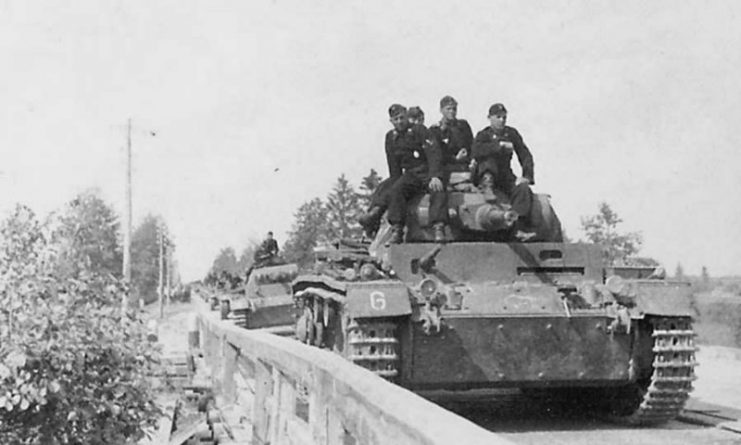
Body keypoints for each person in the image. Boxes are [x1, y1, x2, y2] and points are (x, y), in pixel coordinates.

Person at [472, 103, 536, 241]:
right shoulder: (484, 135)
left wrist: (527, 176)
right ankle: (487, 187)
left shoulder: (511, 134)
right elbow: (476, 151)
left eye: (504, 117)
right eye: (498, 117)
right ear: (489, 118)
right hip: (486, 175)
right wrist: (498, 147)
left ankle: (518, 227)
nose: (502, 120)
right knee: (489, 161)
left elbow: (525, 154)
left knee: (522, 189)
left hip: (505, 175)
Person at [384, 104, 447, 243]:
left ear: (406, 116)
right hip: (411, 175)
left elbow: (433, 152)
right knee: (396, 190)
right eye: (396, 119)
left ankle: (438, 226)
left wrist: (435, 175)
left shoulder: (419, 130)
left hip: (426, 170)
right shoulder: (391, 137)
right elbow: (393, 163)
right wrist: (396, 181)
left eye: (401, 117)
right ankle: (397, 229)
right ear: (391, 121)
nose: (399, 121)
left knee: (438, 189)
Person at [428, 96, 473, 172]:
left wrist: (472, 158)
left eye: (454, 109)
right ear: (441, 110)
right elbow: (436, 153)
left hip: (466, 163)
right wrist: (455, 158)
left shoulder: (463, 125)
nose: (452, 111)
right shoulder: (435, 130)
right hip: (448, 166)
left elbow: (471, 144)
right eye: (448, 109)